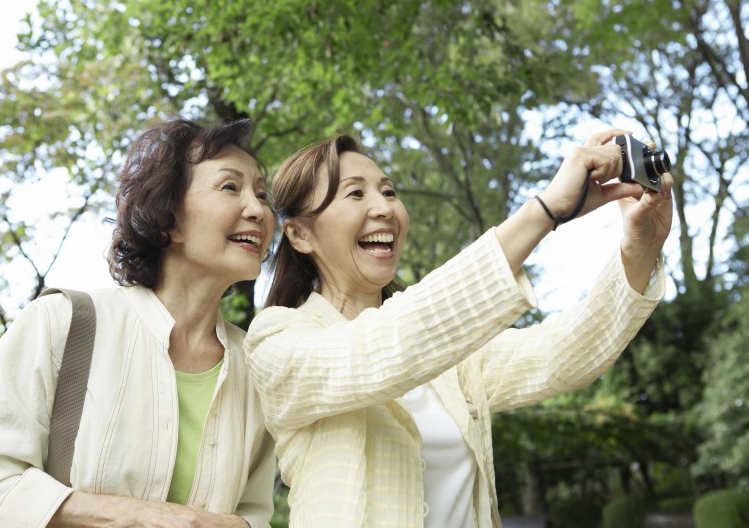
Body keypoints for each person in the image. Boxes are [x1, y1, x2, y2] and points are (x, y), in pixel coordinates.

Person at [243, 128, 672, 527]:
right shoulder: (277, 340)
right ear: (299, 234)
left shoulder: (451, 358)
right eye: (355, 194)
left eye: (389, 191)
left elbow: (563, 356)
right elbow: (382, 347)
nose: (384, 208)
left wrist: (639, 249)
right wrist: (544, 211)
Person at [0, 118, 276, 527]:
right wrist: (151, 518)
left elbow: (254, 511)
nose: (258, 210)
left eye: (262, 194)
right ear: (167, 218)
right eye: (230, 187)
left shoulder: (258, 369)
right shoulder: (61, 322)